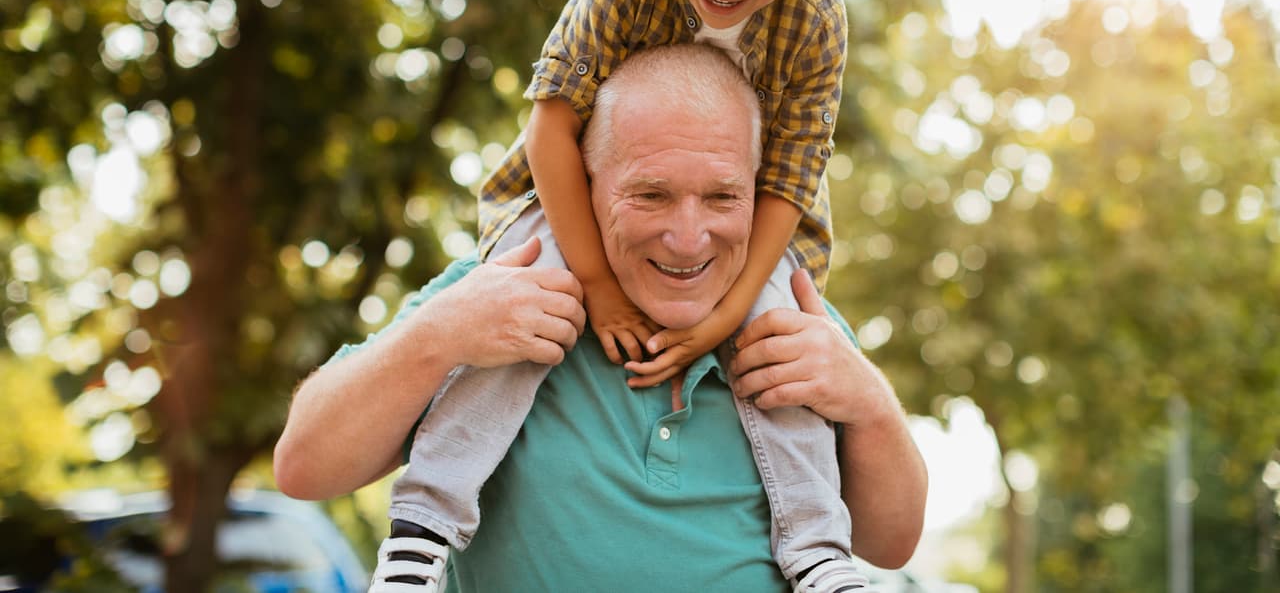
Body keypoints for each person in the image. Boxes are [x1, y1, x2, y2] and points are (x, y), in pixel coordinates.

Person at [369, 0, 878, 589]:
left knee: (787, 343)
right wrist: (597, 284)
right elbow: (550, 126)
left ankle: (817, 549)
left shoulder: (817, 21)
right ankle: (424, 521)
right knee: (523, 305)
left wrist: (729, 315)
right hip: (585, 195)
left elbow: (790, 175)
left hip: (739, 221)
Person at [274, 45, 928, 593]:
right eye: (651, 194)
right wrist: (438, 333)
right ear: (583, 188)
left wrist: (868, 401)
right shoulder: (502, 293)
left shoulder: (793, 318)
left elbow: (893, 541)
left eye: (723, 196)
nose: (689, 234)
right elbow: (305, 465)